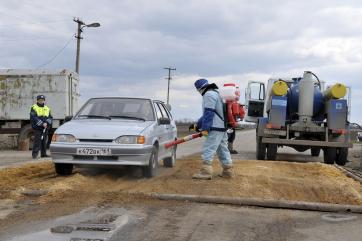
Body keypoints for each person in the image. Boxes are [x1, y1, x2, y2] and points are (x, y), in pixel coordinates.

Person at [190, 78, 233, 180]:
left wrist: (205, 128)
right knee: (223, 149)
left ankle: (206, 172)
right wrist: (197, 125)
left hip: (215, 127)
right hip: (222, 127)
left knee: (208, 148)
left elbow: (209, 113)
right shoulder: (216, 93)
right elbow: (210, 113)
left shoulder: (208, 95)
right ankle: (228, 171)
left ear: (200, 89)